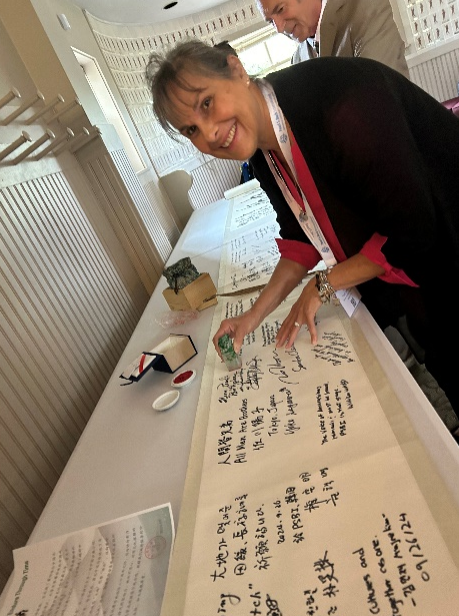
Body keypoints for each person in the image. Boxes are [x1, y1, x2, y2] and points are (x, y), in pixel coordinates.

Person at [145, 40, 459, 420]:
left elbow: (414, 230)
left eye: (207, 103)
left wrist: (325, 283)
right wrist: (252, 317)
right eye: (192, 129)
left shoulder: (341, 106)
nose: (209, 134)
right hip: (418, 285)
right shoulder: (262, 152)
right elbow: (300, 239)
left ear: (237, 70)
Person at [257, 0, 409, 78]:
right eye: (271, 22)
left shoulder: (365, 9)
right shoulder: (297, 60)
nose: (279, 28)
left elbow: (383, 98)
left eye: (281, 9)